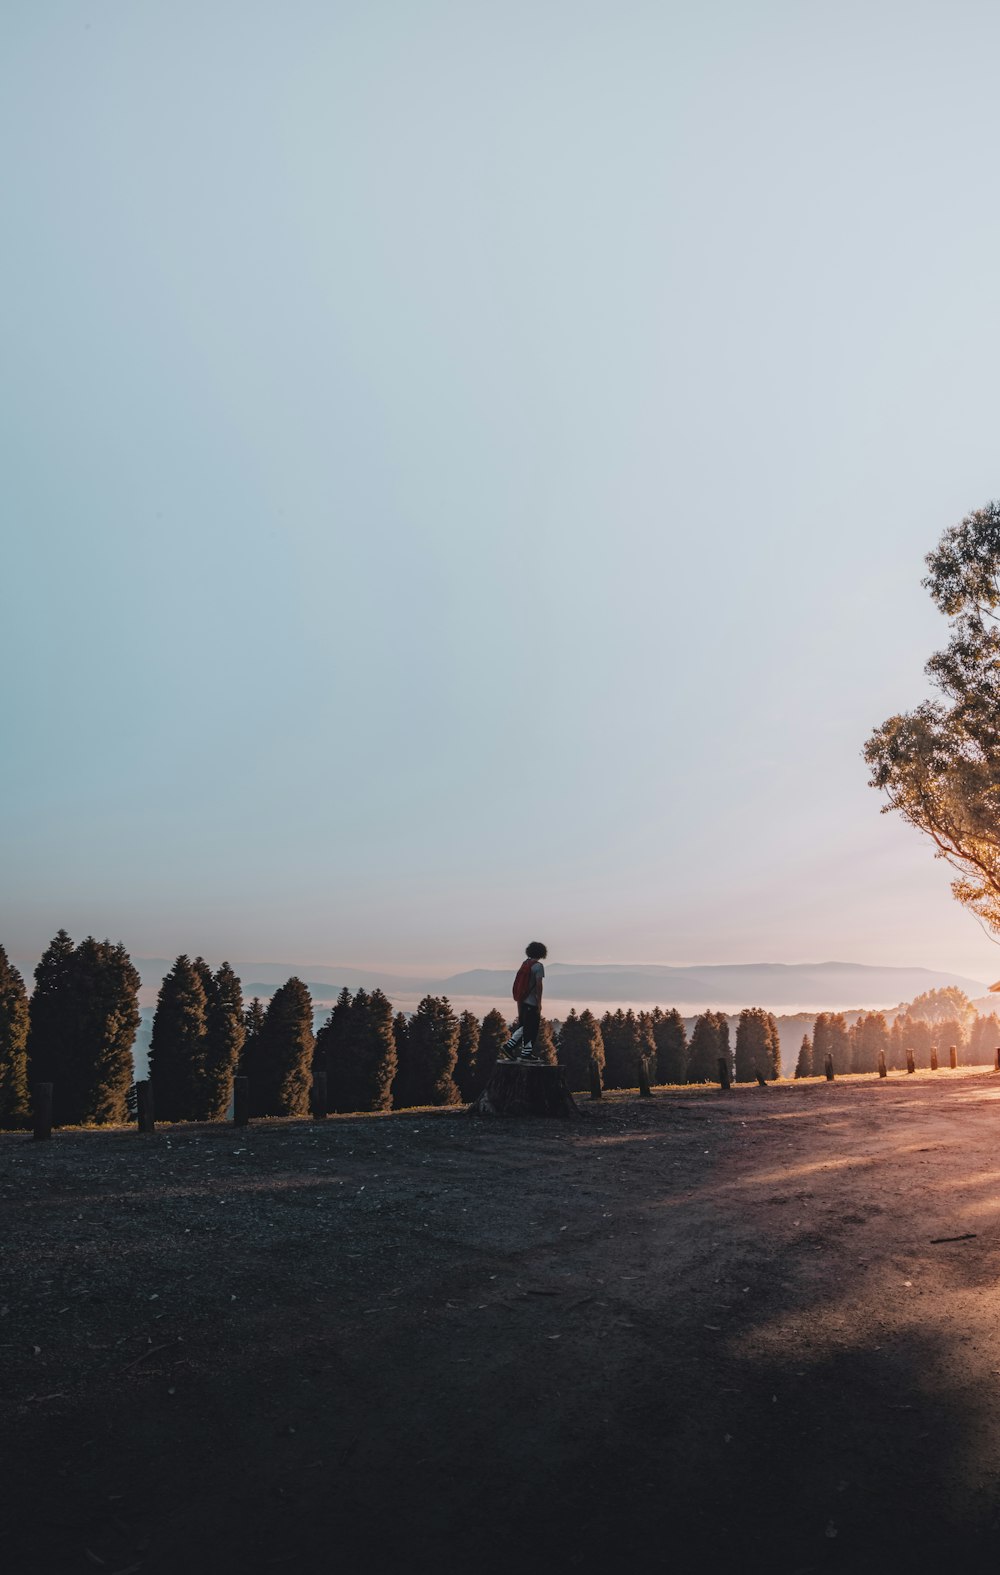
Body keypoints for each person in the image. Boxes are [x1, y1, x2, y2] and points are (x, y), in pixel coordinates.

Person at [500, 942, 547, 1062]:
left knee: (524, 1026)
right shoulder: (538, 966)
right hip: (532, 1002)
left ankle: (520, 1050)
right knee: (531, 1027)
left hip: (521, 1000)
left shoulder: (525, 963)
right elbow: (539, 985)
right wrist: (540, 1003)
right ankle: (516, 1049)